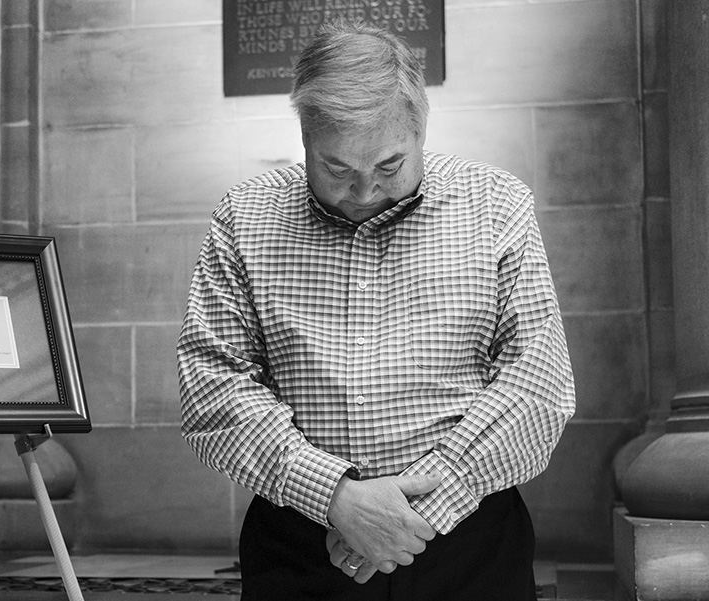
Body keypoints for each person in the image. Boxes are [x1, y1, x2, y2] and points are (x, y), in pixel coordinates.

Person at [176, 19, 576, 601]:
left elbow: (537, 384)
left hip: (469, 549)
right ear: (305, 137)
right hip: (302, 548)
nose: (364, 192)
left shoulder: (495, 204)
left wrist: (410, 518)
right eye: (337, 169)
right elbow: (214, 383)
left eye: (389, 166)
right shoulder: (246, 217)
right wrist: (336, 499)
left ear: (420, 128)